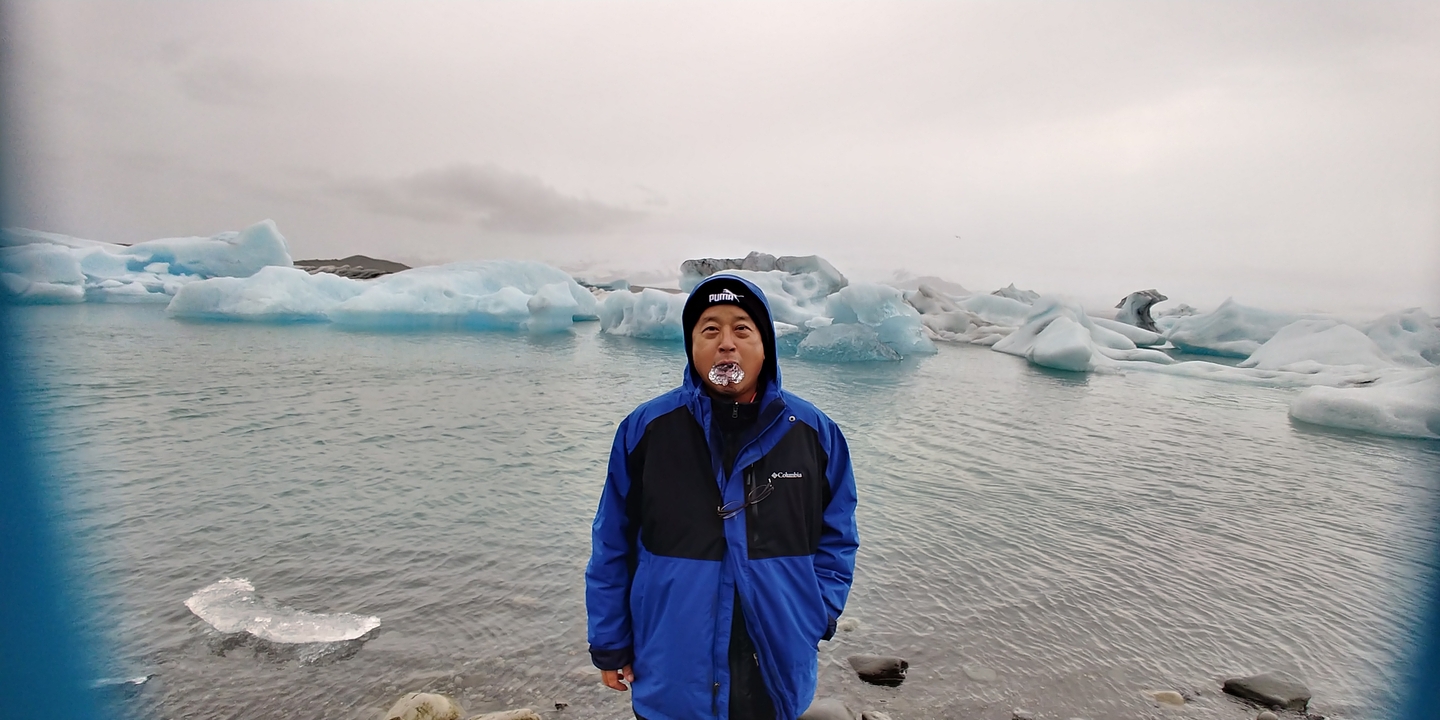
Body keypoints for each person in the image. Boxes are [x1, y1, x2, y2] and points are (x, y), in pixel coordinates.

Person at [585, 273, 860, 720]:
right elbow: (611, 543)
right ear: (692, 346)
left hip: (774, 663)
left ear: (765, 345)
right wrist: (610, 641)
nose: (726, 343)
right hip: (672, 663)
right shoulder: (647, 430)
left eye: (742, 329)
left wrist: (818, 613)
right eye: (710, 330)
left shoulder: (814, 434)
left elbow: (839, 535)